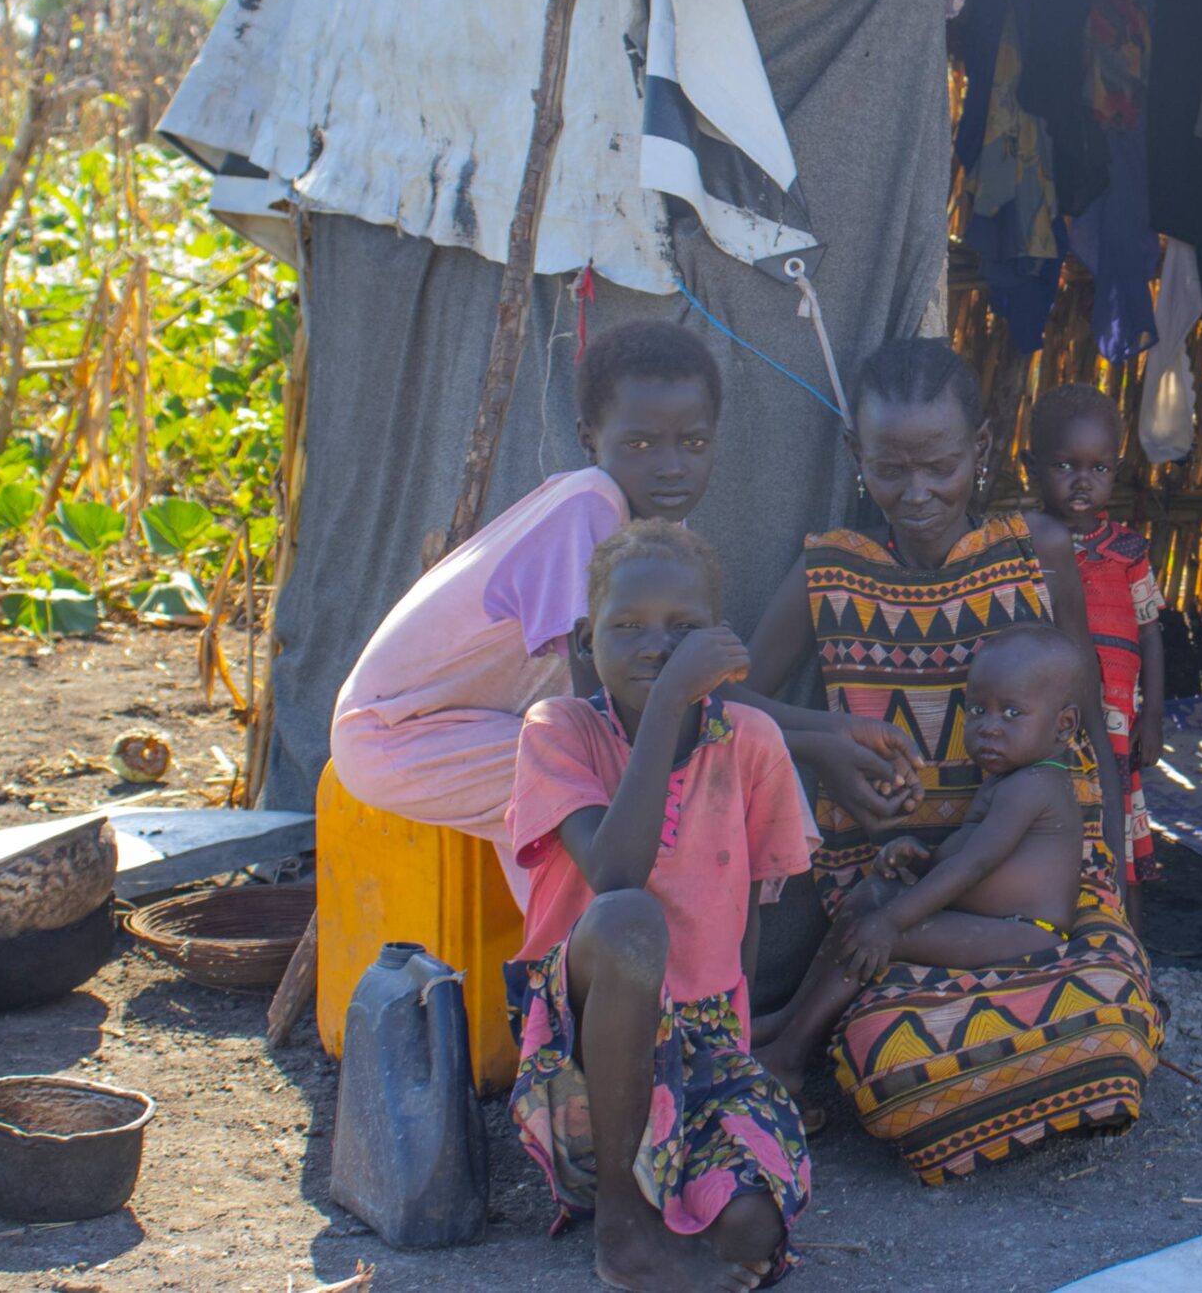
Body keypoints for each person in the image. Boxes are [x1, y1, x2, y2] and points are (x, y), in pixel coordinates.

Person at [739, 336, 1161, 1183]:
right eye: (890, 469)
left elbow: (1087, 725)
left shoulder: (1038, 551)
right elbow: (726, 701)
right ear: (856, 456)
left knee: (1117, 1011)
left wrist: (1113, 892)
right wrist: (824, 742)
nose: (918, 492)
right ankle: (789, 1043)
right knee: (893, 1056)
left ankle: (787, 1046)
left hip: (1035, 892)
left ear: (982, 448)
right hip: (898, 877)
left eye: (940, 466)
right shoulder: (832, 572)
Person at [505, 522, 811, 1292]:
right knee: (630, 921)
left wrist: (738, 1053)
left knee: (753, 1231)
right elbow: (615, 873)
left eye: (681, 629)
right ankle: (622, 1218)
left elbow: (746, 913)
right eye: (629, 627)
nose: (656, 647)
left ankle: (665, 1185)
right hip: (581, 1043)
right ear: (586, 641)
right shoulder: (559, 731)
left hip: (701, 1039)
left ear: (717, 639)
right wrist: (675, 696)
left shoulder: (751, 741)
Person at [330, 320, 721, 904]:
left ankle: (562, 953)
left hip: (486, 728)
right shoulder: (589, 505)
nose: (671, 467)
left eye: (692, 444)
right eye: (641, 445)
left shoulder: (658, 527)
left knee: (602, 792)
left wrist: (816, 735)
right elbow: (604, 711)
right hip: (400, 736)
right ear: (589, 438)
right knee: (608, 792)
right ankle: (585, 956)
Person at [755, 623, 1089, 1080]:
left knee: (879, 934)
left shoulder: (1035, 785)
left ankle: (791, 1055)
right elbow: (973, 855)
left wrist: (892, 923)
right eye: (977, 711)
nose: (989, 728)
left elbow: (975, 865)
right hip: (993, 919)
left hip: (1028, 932)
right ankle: (789, 1018)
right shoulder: (1008, 779)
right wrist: (923, 860)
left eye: (1012, 713)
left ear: (1064, 725)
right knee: (871, 895)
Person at [1025, 383, 1164, 914]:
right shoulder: (1023, 547)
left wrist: (1152, 716)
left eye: (1098, 468)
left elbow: (1150, 632)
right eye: (1064, 466)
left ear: (1117, 470)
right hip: (1051, 718)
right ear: (1030, 467)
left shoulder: (1129, 550)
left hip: (1117, 719)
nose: (1082, 481)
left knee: (1120, 824)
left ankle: (1129, 945)